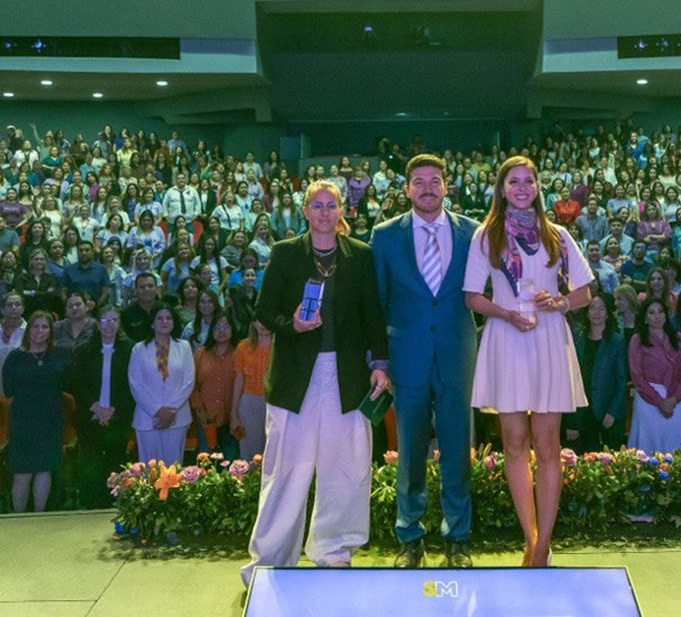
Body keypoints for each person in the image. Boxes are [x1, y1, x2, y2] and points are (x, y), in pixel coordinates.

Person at [243, 181, 389, 587]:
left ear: (342, 211)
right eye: (317, 205)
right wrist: (291, 324)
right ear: (305, 210)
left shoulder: (360, 255)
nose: (324, 212)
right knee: (286, 470)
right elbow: (263, 311)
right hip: (294, 377)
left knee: (345, 468)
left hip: (347, 376)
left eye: (331, 205)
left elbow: (373, 313)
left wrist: (380, 364)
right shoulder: (285, 253)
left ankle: (334, 550)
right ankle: (272, 559)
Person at [463, 156, 593, 568]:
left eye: (528, 181)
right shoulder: (487, 236)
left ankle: (542, 546)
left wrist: (559, 302)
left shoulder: (557, 236)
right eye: (513, 181)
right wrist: (506, 314)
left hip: (549, 339)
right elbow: (472, 296)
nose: (521, 188)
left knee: (549, 444)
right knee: (515, 443)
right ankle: (531, 538)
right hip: (507, 337)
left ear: (538, 187)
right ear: (501, 189)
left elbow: (584, 293)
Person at [370, 154, 479, 568]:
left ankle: (457, 539)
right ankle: (410, 537)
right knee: (410, 452)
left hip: (456, 354)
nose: (428, 188)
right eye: (419, 181)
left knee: (457, 450)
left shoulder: (473, 232)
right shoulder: (385, 236)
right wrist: (379, 361)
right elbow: (378, 302)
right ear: (407, 189)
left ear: (447, 187)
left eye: (435, 181)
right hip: (407, 357)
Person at [3, 310, 71, 513]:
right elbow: (9, 393)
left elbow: (68, 384)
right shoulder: (15, 357)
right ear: (28, 330)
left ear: (50, 331)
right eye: (35, 326)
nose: (39, 331)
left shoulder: (61, 354)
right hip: (23, 422)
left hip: (50, 421)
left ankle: (39, 517)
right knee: (22, 473)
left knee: (44, 470)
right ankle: (18, 520)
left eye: (44, 327)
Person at [69, 307, 135, 510]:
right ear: (97, 324)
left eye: (114, 320)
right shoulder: (84, 349)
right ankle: (91, 505)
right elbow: (77, 382)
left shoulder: (130, 349)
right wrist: (96, 407)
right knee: (91, 465)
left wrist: (112, 410)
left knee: (116, 461)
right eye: (105, 320)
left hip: (118, 416)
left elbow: (132, 385)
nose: (109, 325)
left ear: (120, 323)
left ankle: (115, 503)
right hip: (89, 416)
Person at [128, 305, 194, 466]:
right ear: (152, 323)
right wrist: (157, 410)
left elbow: (188, 381)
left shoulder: (184, 347)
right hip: (147, 417)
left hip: (177, 418)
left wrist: (169, 412)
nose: (165, 321)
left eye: (168, 318)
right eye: (159, 318)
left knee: (174, 470)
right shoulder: (139, 349)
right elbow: (135, 384)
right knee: (150, 471)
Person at [626, 296, 681, 455]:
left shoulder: (678, 338)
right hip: (648, 401)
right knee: (649, 450)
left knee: (677, 449)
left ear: (666, 315)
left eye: (660, 311)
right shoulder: (637, 340)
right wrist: (659, 402)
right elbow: (637, 376)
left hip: (676, 400)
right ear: (645, 317)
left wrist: (674, 399)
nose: (657, 316)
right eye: (652, 312)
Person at [566, 292, 628, 453]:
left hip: (607, 411)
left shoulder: (616, 341)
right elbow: (570, 380)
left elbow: (621, 382)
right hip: (582, 411)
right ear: (587, 312)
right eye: (593, 308)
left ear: (607, 314)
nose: (597, 312)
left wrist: (612, 412)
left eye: (601, 309)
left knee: (610, 458)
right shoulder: (577, 337)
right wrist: (572, 420)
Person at [190, 311, 239, 459]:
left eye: (226, 327)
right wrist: (200, 409)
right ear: (211, 330)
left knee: (232, 464)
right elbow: (192, 385)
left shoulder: (239, 354)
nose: (221, 331)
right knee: (206, 464)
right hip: (206, 419)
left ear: (233, 329)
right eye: (217, 327)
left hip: (232, 420)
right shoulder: (200, 354)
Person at [232, 318, 271, 462]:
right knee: (249, 447)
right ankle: (249, 475)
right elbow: (239, 380)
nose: (263, 324)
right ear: (253, 323)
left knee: (273, 447)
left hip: (274, 401)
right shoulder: (243, 347)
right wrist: (233, 413)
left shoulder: (281, 346)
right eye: (258, 320)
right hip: (249, 401)